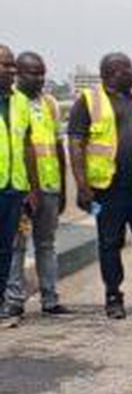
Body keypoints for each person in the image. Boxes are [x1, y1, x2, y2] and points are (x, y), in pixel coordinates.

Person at [68, 53, 132, 319]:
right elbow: (76, 145)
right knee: (110, 243)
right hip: (109, 189)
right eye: (129, 69)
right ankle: (113, 296)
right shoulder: (88, 102)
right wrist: (82, 185)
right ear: (113, 73)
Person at [5, 52, 71, 317]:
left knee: (46, 243)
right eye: (34, 73)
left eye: (43, 72)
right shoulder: (11, 103)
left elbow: (57, 146)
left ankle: (50, 298)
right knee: (16, 245)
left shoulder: (51, 104)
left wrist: (63, 187)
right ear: (18, 74)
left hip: (49, 186)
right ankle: (14, 300)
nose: (40, 78)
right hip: (21, 187)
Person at [0, 45, 39, 319]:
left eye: (13, 65)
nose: (11, 71)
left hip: (14, 188)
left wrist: (32, 187)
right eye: (5, 65)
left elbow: (27, 146)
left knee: (6, 249)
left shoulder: (20, 101)